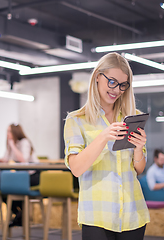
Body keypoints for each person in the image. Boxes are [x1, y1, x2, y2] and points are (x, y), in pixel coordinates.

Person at [64, 52, 149, 240]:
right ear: (97, 77)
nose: (117, 90)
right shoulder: (77, 120)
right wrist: (103, 137)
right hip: (97, 214)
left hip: (132, 212)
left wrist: (138, 149)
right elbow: (76, 168)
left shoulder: (132, 116)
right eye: (112, 82)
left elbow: (139, 169)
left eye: (123, 85)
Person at [0, 123, 39, 228]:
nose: (7, 134)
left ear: (15, 132)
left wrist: (13, 146)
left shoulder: (24, 142)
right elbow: (6, 159)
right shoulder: (11, 144)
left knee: (12, 188)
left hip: (33, 175)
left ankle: (21, 215)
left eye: (9, 131)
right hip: (21, 176)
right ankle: (19, 214)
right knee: (2, 188)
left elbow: (23, 160)